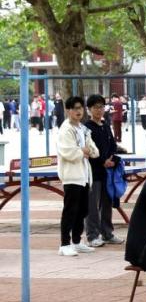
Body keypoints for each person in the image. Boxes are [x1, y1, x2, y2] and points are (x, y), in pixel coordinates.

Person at [56, 96, 100, 256]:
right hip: (71, 176)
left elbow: (94, 150)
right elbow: (68, 152)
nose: (78, 111)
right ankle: (64, 244)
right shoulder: (65, 129)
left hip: (84, 175)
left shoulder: (83, 129)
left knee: (82, 210)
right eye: (75, 108)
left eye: (80, 108)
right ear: (68, 110)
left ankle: (76, 240)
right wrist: (83, 151)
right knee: (70, 210)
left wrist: (85, 151)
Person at [84, 94, 123, 247]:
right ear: (89, 109)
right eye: (95, 107)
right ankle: (92, 236)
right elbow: (89, 150)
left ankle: (107, 233)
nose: (99, 110)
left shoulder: (105, 125)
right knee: (92, 205)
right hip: (93, 171)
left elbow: (112, 145)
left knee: (107, 204)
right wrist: (102, 161)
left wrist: (111, 158)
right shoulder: (87, 128)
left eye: (101, 107)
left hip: (107, 172)